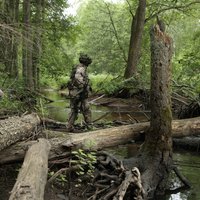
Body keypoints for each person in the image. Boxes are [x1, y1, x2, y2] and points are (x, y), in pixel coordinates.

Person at [66, 54, 92, 131]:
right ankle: (89, 126)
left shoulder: (76, 67)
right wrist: (84, 86)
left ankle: (69, 127)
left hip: (74, 93)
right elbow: (78, 79)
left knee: (74, 110)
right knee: (86, 109)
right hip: (79, 93)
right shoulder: (81, 68)